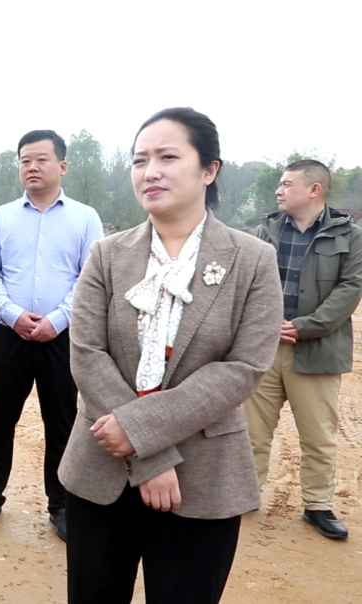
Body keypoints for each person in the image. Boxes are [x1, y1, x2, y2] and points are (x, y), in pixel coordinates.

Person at [58, 107, 282, 603]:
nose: (150, 171)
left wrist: (139, 434)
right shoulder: (107, 254)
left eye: (167, 157)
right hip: (102, 467)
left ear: (209, 170)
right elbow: (87, 353)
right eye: (140, 160)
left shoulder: (253, 259)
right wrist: (150, 457)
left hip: (204, 476)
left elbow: (244, 368)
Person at [0, 129, 103, 540]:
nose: (32, 167)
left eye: (41, 159)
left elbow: (89, 277)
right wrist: (11, 315)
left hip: (61, 338)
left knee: (61, 422)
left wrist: (57, 320)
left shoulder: (85, 218)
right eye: (25, 160)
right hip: (9, 334)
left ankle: (61, 503)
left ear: (62, 166)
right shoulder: (2, 217)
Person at [243, 159, 362, 540]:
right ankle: (244, 495)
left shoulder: (351, 236)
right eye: (279, 184)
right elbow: (247, 282)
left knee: (318, 437)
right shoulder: (265, 231)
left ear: (314, 190)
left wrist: (305, 326)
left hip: (317, 349)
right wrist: (263, 324)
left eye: (286, 184)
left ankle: (317, 505)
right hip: (265, 349)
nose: (278, 190)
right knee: (251, 432)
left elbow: (350, 288)